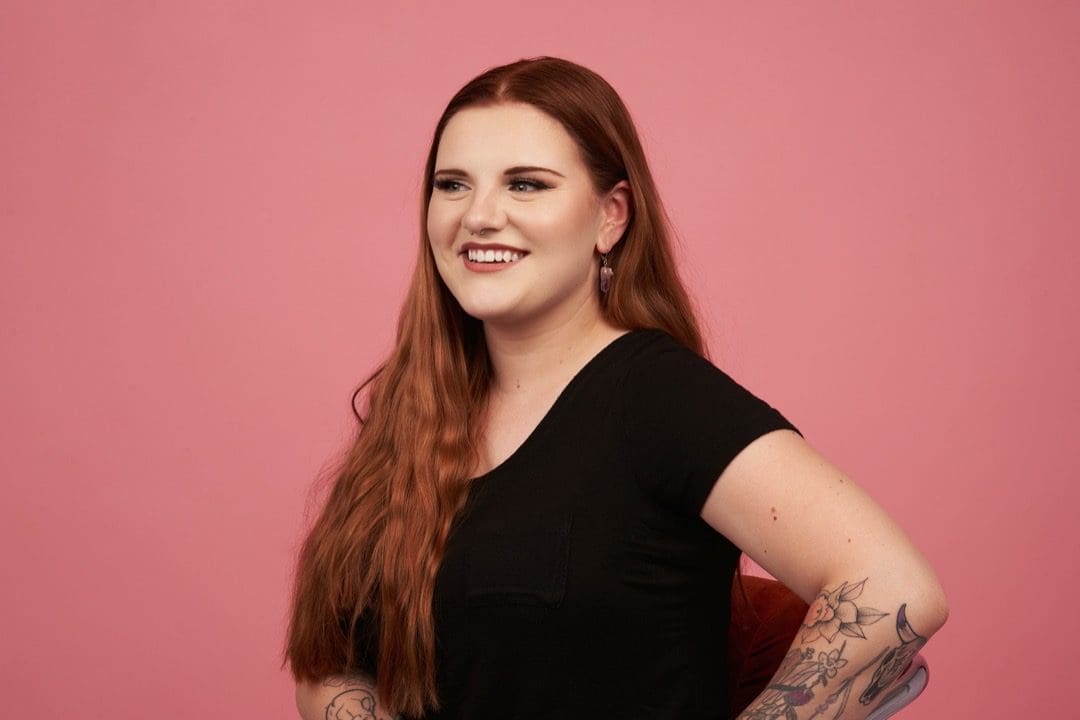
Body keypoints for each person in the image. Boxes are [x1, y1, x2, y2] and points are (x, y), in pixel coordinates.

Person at [284, 56, 948, 720]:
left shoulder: (656, 396)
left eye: (526, 185)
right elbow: (332, 661)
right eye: (452, 184)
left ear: (611, 218)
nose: (479, 216)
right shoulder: (412, 409)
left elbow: (895, 589)